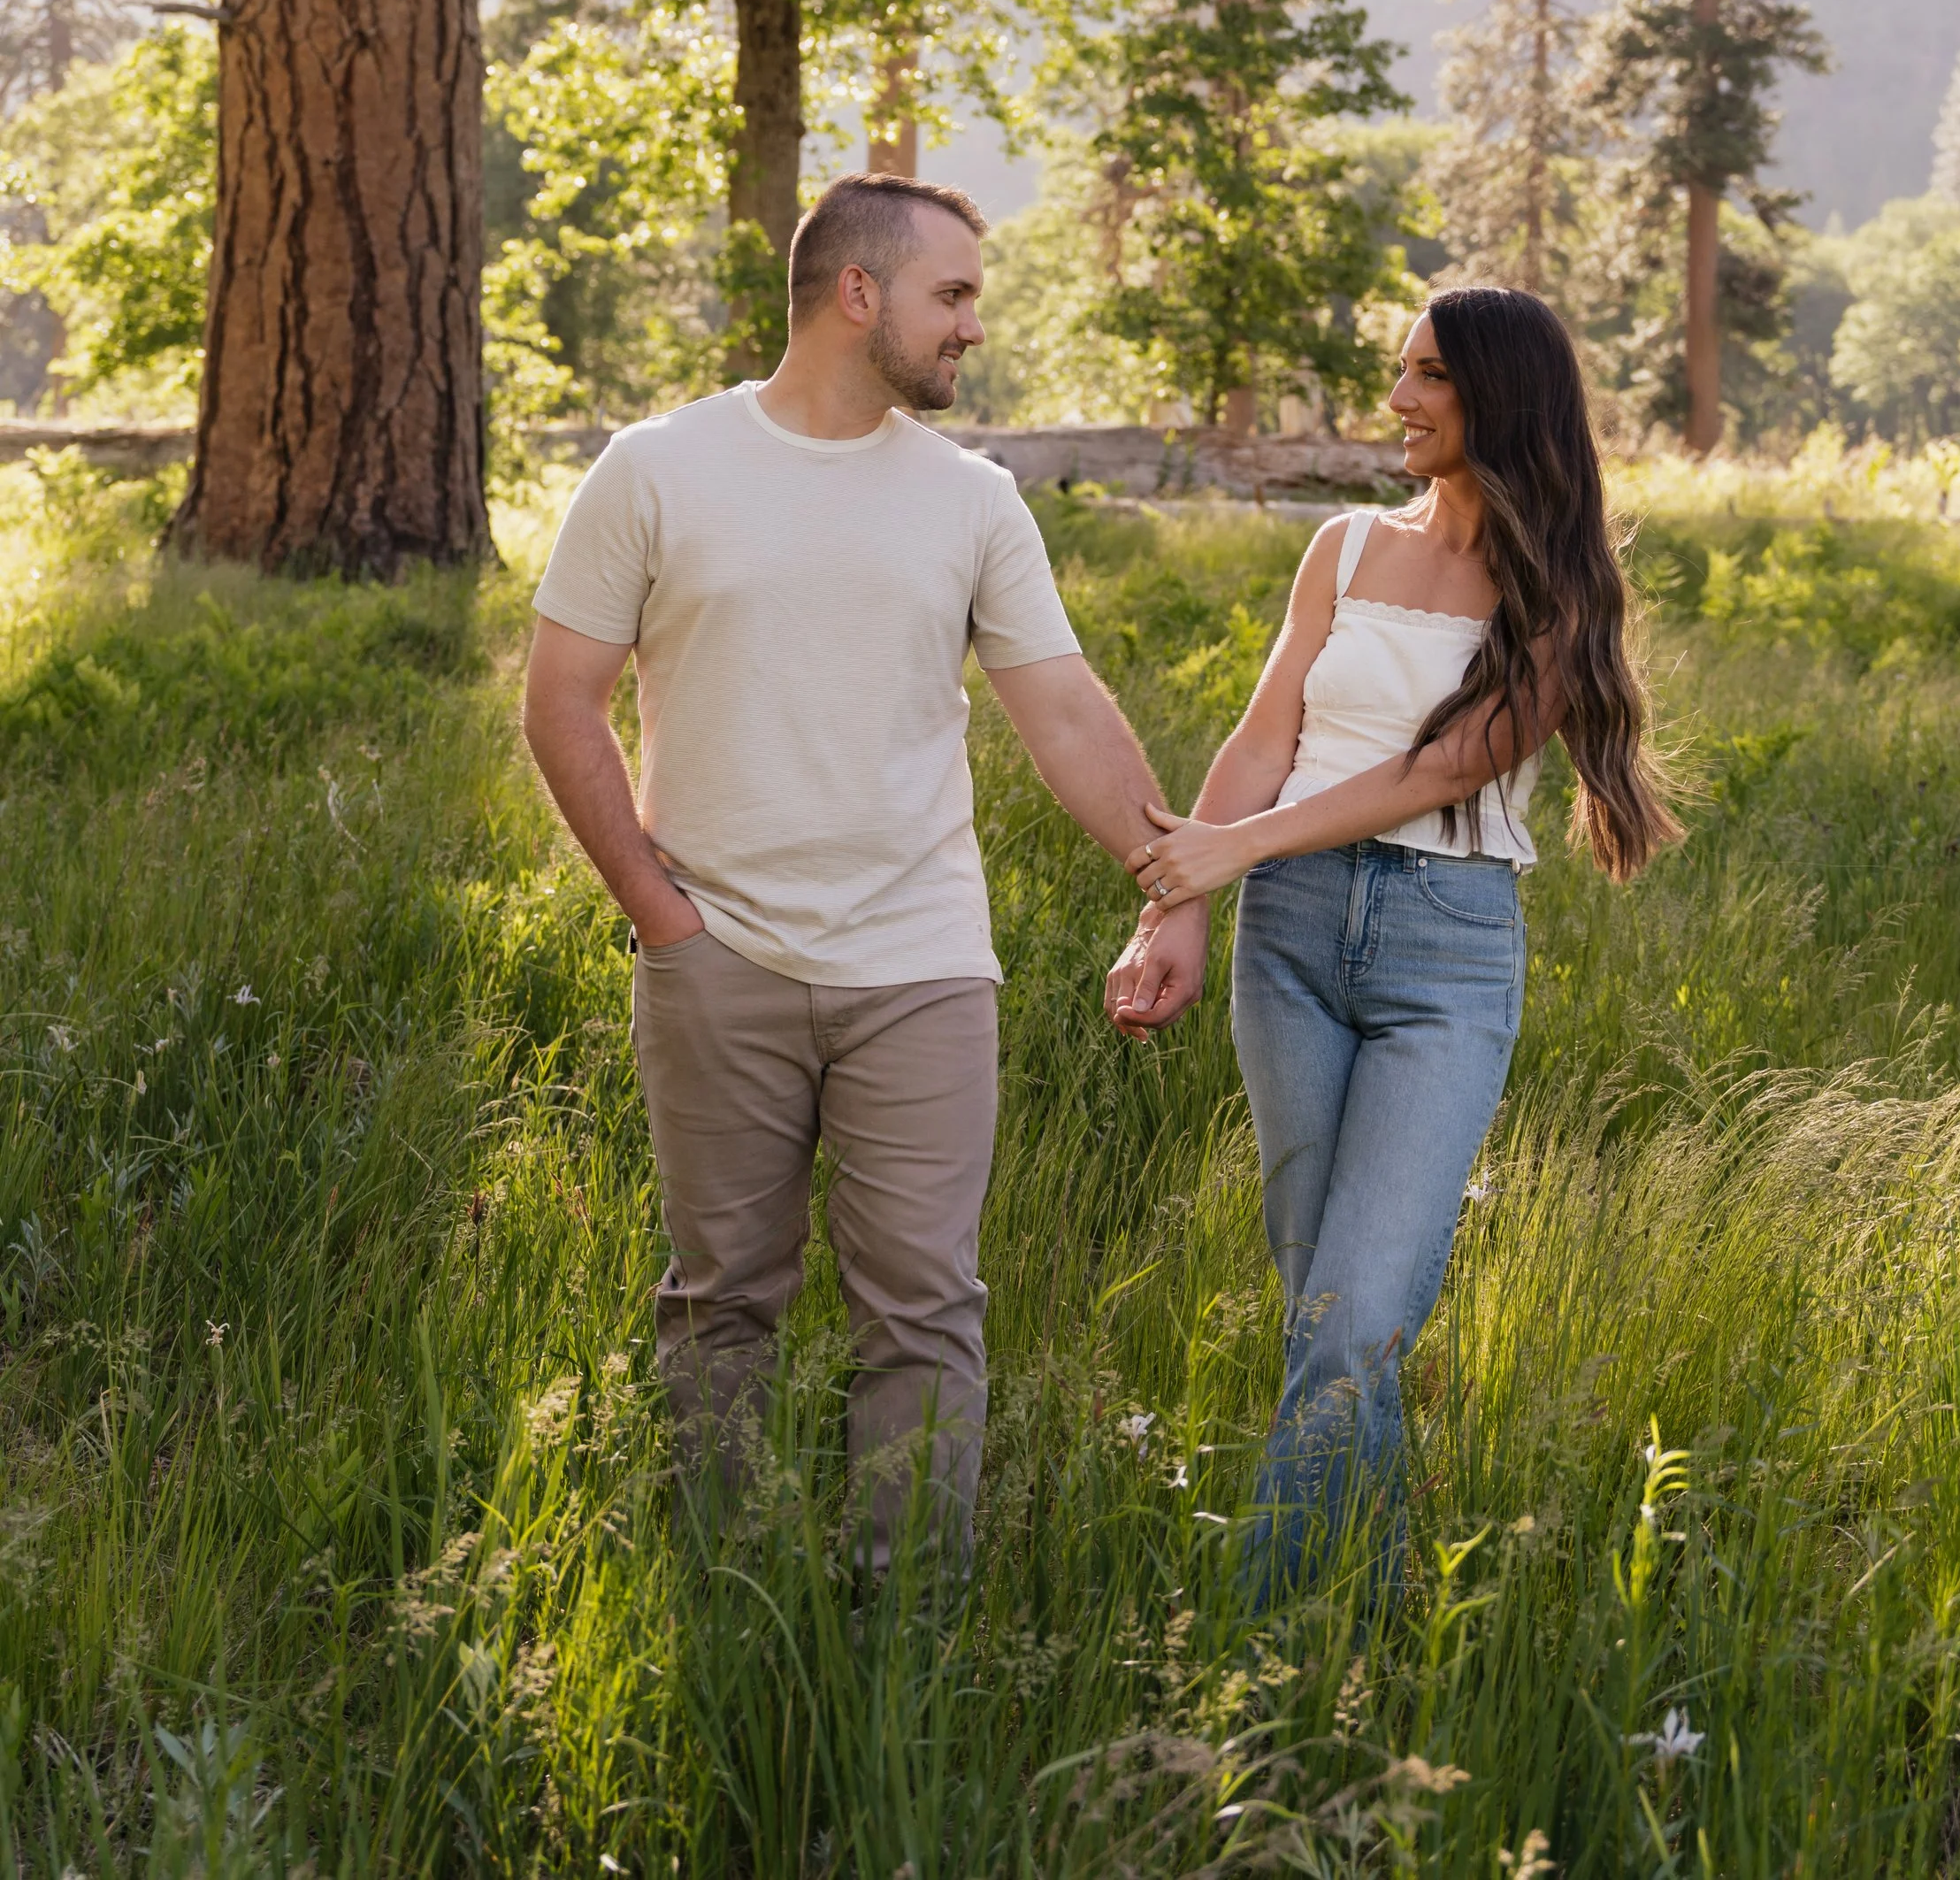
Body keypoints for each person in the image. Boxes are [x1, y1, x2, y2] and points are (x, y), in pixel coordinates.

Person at [523, 170, 1191, 1569]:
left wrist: (1167, 882)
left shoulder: (975, 500)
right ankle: (725, 1596)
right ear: (858, 292)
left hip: (924, 967)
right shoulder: (657, 468)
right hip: (719, 959)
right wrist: (663, 917)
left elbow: (1061, 707)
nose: (972, 329)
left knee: (926, 1309)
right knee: (720, 1304)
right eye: (953, 296)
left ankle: (906, 1639)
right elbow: (559, 699)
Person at [1104, 286, 1679, 1592]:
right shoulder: (1346, 547)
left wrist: (1237, 849)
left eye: (1428, 376)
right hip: (1289, 936)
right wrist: (1178, 901)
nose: (1400, 399)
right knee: (1323, 1305)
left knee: (1355, 1315)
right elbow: (1262, 739)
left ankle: (1258, 1629)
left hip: (1446, 948)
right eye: (1401, 369)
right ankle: (1376, 1599)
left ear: (1500, 399)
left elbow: (1443, 769)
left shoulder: (1565, 587)